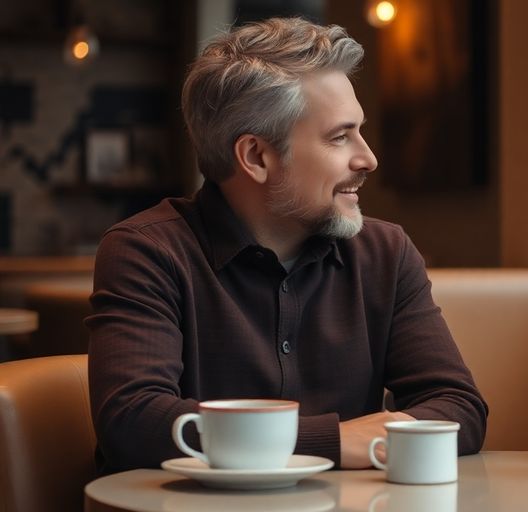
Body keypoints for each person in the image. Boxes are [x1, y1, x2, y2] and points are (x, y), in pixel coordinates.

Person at [87, 18, 487, 474]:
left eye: (360, 131)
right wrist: (333, 441)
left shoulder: (385, 253)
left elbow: (459, 409)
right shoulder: (147, 251)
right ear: (256, 156)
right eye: (340, 137)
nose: (368, 157)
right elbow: (132, 424)